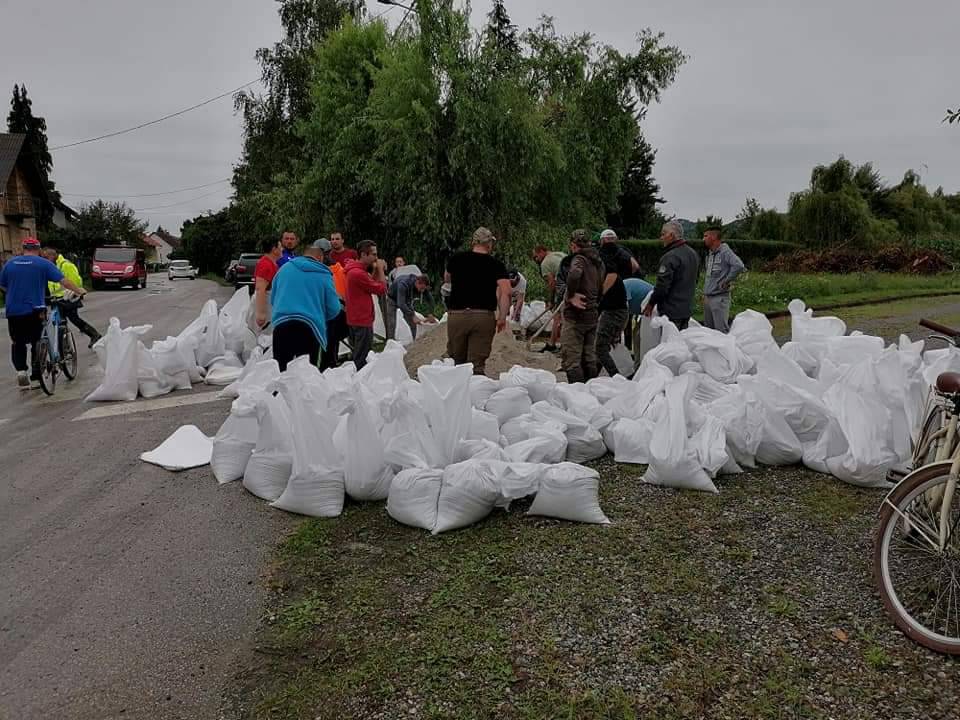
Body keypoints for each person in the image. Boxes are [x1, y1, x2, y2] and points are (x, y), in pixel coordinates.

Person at [0, 237, 87, 389]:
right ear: (38, 249)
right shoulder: (43, 263)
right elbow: (63, 280)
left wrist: (14, 295)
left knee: (17, 341)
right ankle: (35, 377)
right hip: (35, 309)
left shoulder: (10, 264)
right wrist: (79, 290)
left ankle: (21, 371)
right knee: (37, 342)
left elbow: (3, 285)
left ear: (23, 248)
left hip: (13, 310)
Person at [444, 227, 511, 376]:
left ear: (473, 242)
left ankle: (457, 395)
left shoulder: (456, 259)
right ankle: (476, 395)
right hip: (483, 317)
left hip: (457, 315)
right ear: (489, 244)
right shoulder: (496, 264)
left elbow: (446, 279)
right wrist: (502, 318)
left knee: (458, 363)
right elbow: (506, 292)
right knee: (476, 366)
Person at [270, 239, 342, 372]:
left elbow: (273, 297)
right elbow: (334, 309)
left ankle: (280, 393)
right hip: (310, 327)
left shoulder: (284, 269)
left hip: (282, 325)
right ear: (320, 258)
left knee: (281, 372)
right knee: (308, 374)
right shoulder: (323, 274)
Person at [560, 230, 604, 383]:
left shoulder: (579, 259)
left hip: (575, 315)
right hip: (592, 313)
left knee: (571, 358)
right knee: (589, 357)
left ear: (573, 245)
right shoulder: (598, 261)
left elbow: (574, 274)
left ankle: (577, 394)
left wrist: (571, 294)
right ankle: (590, 390)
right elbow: (601, 286)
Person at [643, 220, 700, 331]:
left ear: (671, 235)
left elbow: (662, 287)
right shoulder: (693, 254)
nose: (661, 237)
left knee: (670, 345)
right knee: (682, 343)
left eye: (663, 234)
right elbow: (695, 279)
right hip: (686, 309)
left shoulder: (670, 257)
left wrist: (650, 304)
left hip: (671, 312)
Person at [42, 246, 101, 348]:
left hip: (68, 298)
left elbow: (76, 281)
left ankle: (94, 335)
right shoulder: (51, 266)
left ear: (52, 256)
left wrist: (74, 292)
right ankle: (64, 347)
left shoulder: (66, 265)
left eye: (46, 257)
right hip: (56, 299)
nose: (44, 260)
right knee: (59, 323)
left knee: (74, 319)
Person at [596, 229, 634, 377]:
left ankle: (616, 377)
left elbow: (611, 274)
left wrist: (600, 294)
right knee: (604, 344)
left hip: (614, 309)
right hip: (619, 306)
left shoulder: (603, 256)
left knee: (600, 347)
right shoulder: (622, 252)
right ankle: (598, 374)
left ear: (602, 241)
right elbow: (635, 266)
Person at [345, 240, 387, 370]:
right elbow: (381, 289)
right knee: (362, 356)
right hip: (362, 319)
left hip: (356, 318)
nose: (376, 257)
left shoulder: (356, 271)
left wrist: (374, 270)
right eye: (373, 254)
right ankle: (360, 380)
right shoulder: (358, 273)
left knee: (360, 353)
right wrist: (380, 270)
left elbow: (370, 284)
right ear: (363, 254)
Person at [702, 226, 745, 333]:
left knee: (721, 331)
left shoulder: (725, 251)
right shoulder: (711, 253)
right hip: (709, 297)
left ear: (714, 237)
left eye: (706, 236)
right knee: (708, 331)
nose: (703, 239)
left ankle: (726, 350)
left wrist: (727, 280)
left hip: (719, 298)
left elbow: (738, 265)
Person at [319, 240, 349, 371]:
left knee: (326, 341)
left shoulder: (320, 270)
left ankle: (326, 366)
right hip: (339, 310)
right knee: (333, 340)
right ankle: (332, 363)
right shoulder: (339, 269)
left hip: (327, 311)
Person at [386, 273, 430, 341]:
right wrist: (412, 315)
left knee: (412, 322)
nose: (422, 291)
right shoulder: (403, 284)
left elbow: (409, 302)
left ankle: (414, 340)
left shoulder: (414, 284)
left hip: (404, 299)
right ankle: (390, 342)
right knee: (391, 322)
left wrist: (413, 315)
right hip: (392, 299)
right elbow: (401, 304)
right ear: (418, 283)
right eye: (422, 288)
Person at [253, 237, 283, 330]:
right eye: (280, 247)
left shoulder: (272, 264)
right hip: (266, 309)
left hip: (271, 307)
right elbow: (260, 289)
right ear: (274, 249)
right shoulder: (265, 265)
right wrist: (261, 314)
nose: (282, 249)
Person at [624, 276, 655, 353]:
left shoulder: (623, 288)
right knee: (637, 334)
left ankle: (642, 361)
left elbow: (624, 313)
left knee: (640, 335)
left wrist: (618, 331)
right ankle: (638, 362)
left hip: (653, 306)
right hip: (647, 308)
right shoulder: (624, 285)